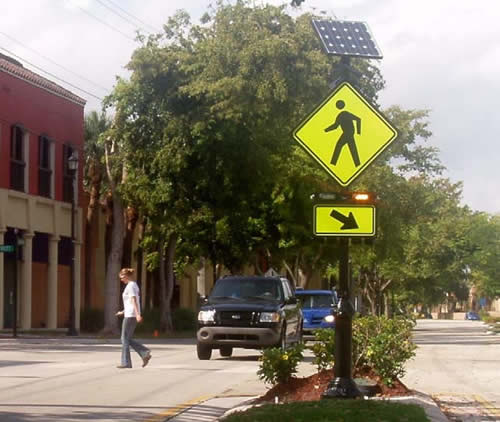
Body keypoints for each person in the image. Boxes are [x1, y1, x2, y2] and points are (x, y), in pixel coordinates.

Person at [115, 268, 151, 369]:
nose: (121, 280)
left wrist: (137, 314)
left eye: (122, 277)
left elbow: (134, 301)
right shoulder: (133, 285)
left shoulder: (130, 286)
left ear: (127, 276)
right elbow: (130, 303)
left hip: (131, 315)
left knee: (124, 339)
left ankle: (126, 362)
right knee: (127, 339)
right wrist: (122, 312)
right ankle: (144, 354)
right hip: (130, 314)